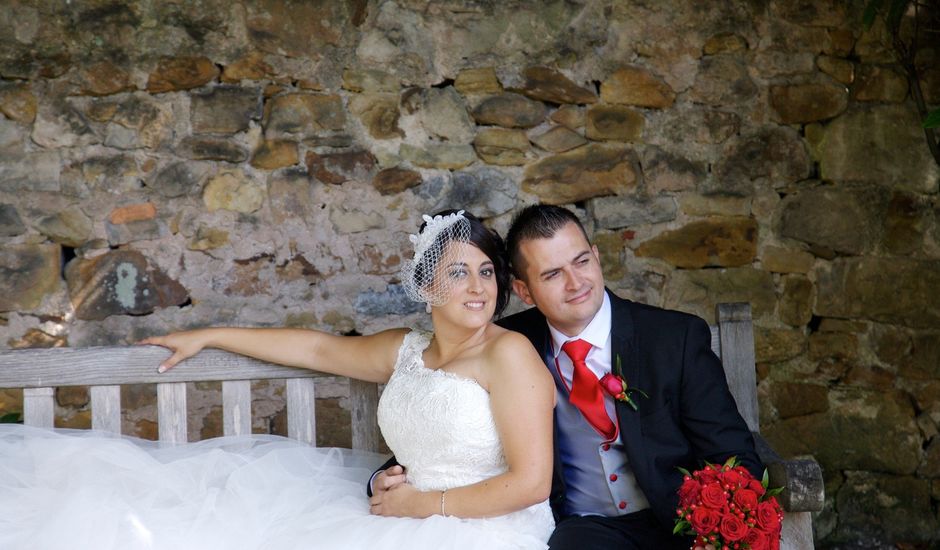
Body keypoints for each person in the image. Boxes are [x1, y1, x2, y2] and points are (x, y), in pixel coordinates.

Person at [0, 210, 556, 550]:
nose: (478, 287)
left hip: (483, 530)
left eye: (486, 271)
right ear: (427, 282)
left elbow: (532, 483)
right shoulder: (404, 351)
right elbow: (315, 347)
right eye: (458, 272)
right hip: (401, 515)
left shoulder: (508, 355)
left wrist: (423, 506)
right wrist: (211, 334)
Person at [372, 204, 763, 549]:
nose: (576, 283)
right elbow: (444, 428)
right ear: (524, 290)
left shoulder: (672, 339)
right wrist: (383, 479)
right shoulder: (510, 345)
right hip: (579, 529)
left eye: (581, 262)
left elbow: (733, 455)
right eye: (553, 274)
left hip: (677, 525)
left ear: (596, 256)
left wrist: (726, 528)